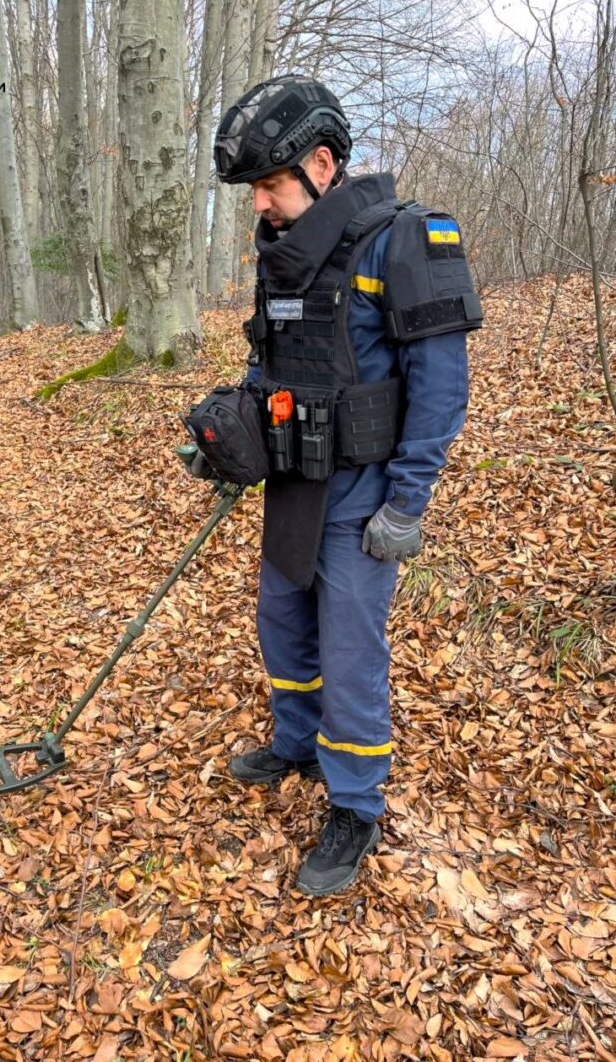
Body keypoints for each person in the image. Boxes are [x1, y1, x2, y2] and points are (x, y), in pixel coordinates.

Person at [192, 74, 482, 897]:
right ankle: (296, 739)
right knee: (283, 623)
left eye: (270, 185)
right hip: (293, 481)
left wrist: (407, 502)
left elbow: (441, 388)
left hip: (363, 492)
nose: (260, 204)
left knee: (352, 649)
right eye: (254, 190)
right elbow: (269, 362)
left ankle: (354, 801)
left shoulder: (406, 240)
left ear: (323, 163)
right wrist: (232, 433)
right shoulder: (284, 258)